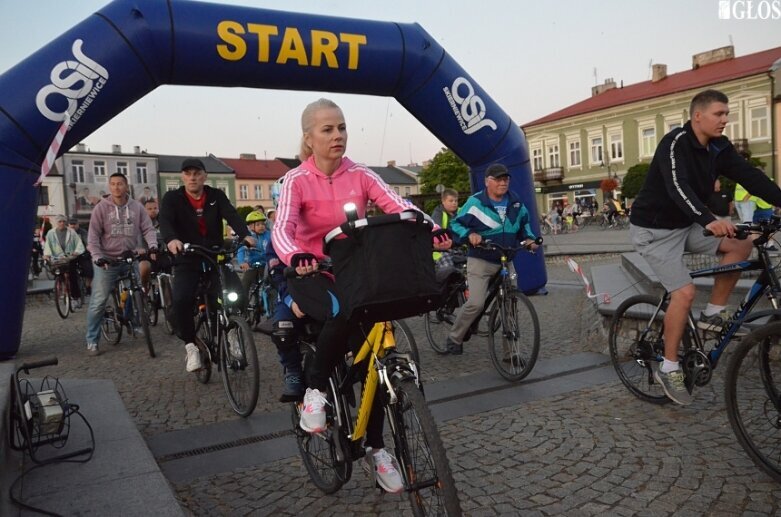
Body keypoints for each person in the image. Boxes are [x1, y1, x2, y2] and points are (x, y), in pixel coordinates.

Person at [272, 98, 451, 494]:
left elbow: (399, 205)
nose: (338, 136)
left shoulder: (361, 174)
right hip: (310, 270)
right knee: (340, 311)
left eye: (342, 127)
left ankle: (376, 448)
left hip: (353, 271)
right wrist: (297, 254)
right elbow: (282, 228)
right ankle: (316, 391)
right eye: (327, 130)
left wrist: (428, 227)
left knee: (375, 357)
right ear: (309, 137)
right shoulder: (296, 181)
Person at [628, 89, 781, 405]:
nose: (725, 119)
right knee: (683, 293)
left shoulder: (719, 148)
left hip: (686, 225)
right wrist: (708, 218)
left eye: (727, 114)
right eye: (719, 114)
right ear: (698, 115)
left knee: (742, 245)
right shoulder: (675, 144)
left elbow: (750, 176)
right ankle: (669, 368)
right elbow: (677, 188)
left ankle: (712, 314)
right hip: (654, 231)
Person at [158, 158, 255, 372]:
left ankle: (231, 334)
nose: (192, 177)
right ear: (182, 177)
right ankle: (191, 346)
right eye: (188, 173)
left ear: (204, 176)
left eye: (197, 173)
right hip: (187, 257)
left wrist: (245, 234)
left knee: (237, 294)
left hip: (214, 256)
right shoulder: (173, 198)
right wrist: (171, 239)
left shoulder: (215, 196)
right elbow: (165, 220)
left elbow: (231, 215)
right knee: (182, 300)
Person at [442, 163, 538, 355]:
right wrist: (470, 235)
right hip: (481, 259)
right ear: (487, 181)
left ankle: (511, 352)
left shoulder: (516, 202)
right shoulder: (475, 202)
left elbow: (524, 225)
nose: (503, 183)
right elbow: (456, 224)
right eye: (498, 179)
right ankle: (455, 336)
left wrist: (529, 239)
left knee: (510, 303)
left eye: (506, 179)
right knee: (476, 303)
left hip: (505, 259)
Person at [85, 173, 158, 356]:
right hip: (106, 261)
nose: (116, 187)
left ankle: (133, 323)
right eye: (113, 184)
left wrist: (153, 246)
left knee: (136, 293)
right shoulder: (101, 208)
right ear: (109, 187)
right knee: (98, 302)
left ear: (127, 186)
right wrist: (97, 257)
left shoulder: (137, 207)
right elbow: (92, 237)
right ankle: (92, 340)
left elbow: (148, 228)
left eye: (120, 184)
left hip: (129, 257)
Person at [43, 215, 86, 307]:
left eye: (63, 221)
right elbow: (47, 245)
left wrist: (77, 252)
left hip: (70, 257)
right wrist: (46, 254)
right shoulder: (51, 233)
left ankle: (75, 297)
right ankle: (61, 288)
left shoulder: (71, 232)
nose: (62, 223)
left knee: (72, 277)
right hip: (57, 258)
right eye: (59, 221)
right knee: (58, 273)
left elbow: (79, 243)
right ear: (56, 223)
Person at [237, 210, 271, 310]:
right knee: (245, 285)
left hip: (265, 265)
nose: (262, 226)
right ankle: (243, 308)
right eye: (258, 224)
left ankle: (272, 303)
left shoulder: (269, 235)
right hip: (251, 265)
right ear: (251, 226)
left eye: (263, 224)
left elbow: (275, 247)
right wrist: (242, 262)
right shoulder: (248, 237)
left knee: (272, 282)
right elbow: (241, 250)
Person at [430, 188, 459, 267]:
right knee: (449, 269)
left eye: (456, 201)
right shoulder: (438, 214)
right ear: (443, 201)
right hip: (441, 251)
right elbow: (438, 237)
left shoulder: (460, 212)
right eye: (451, 201)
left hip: (458, 247)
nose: (454, 203)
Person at [138, 198, 162, 290]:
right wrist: (139, 249)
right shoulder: (140, 224)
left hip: (160, 253)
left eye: (155, 208)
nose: (153, 211)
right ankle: (144, 288)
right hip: (144, 254)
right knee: (144, 267)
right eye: (149, 209)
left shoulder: (163, 222)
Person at [68, 217, 93, 295]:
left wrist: (87, 250)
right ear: (68, 225)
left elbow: (87, 242)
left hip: (82, 254)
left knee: (89, 271)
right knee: (66, 270)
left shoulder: (83, 232)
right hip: (70, 255)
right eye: (71, 224)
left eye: (74, 224)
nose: (73, 226)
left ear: (78, 224)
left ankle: (89, 286)